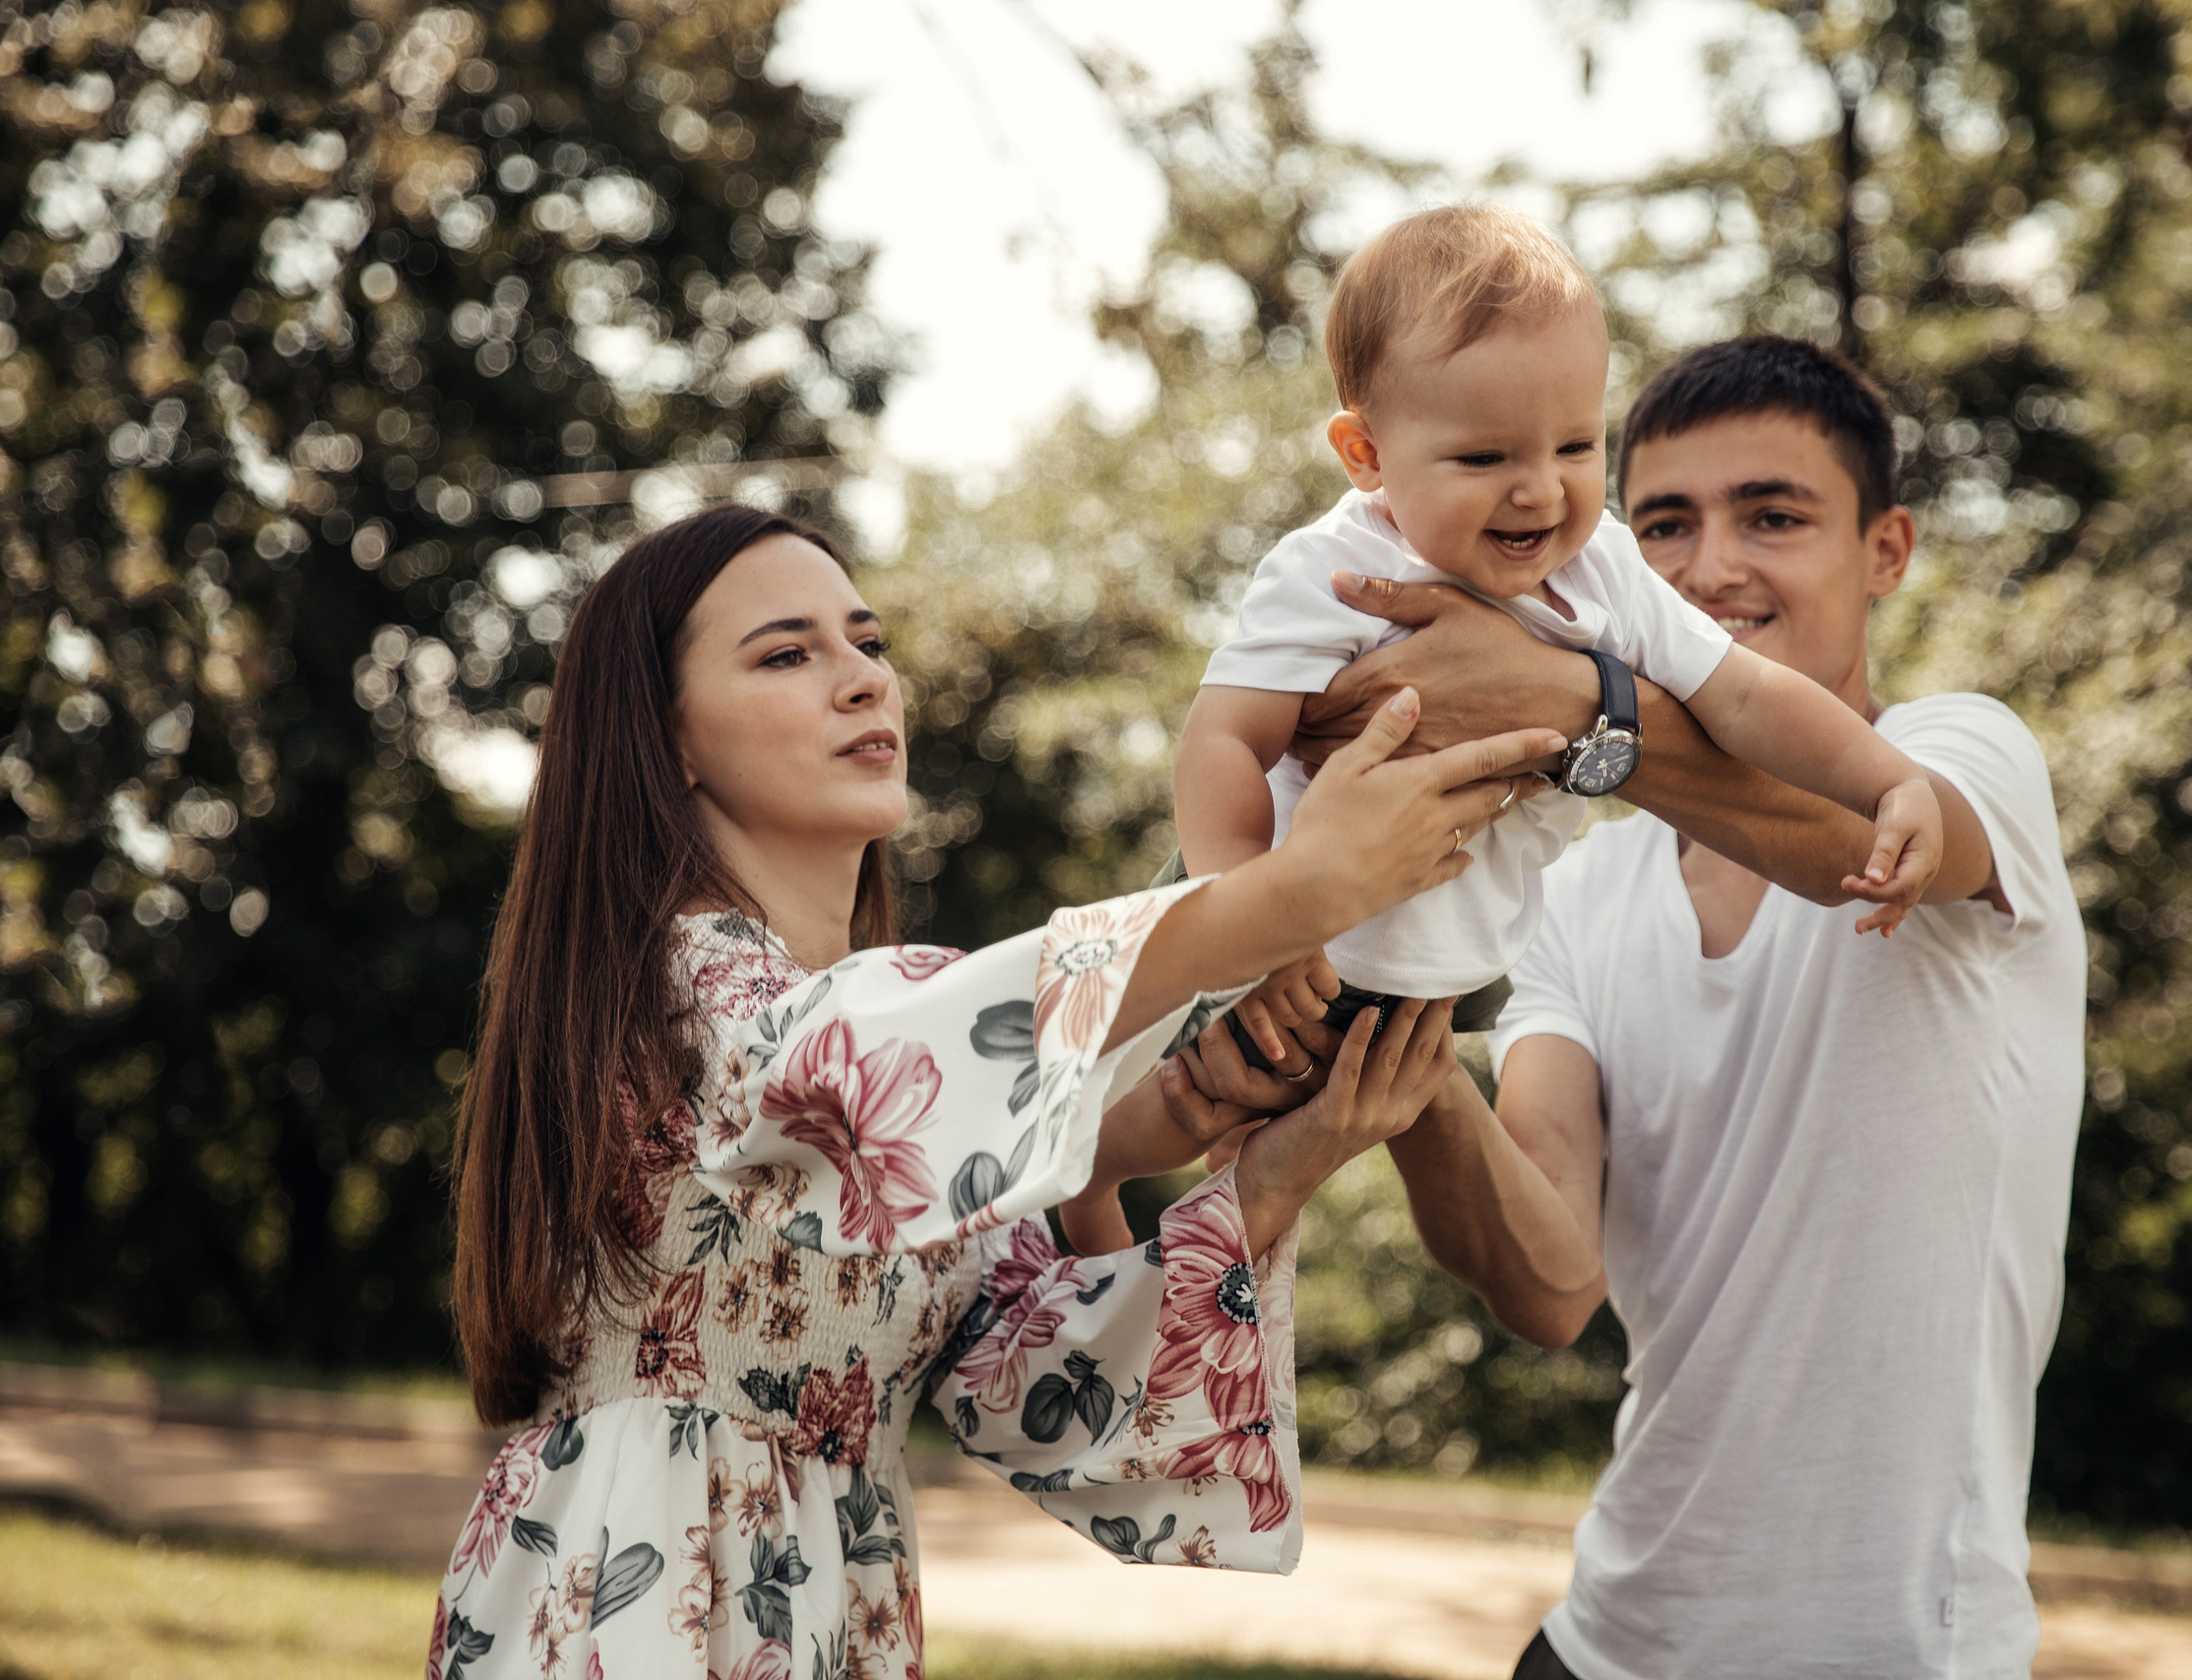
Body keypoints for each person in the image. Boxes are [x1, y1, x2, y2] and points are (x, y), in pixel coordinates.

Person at [431, 505, 1566, 1679]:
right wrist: (1296, 891)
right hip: (642, 1592)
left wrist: (1275, 1163)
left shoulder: (868, 1054)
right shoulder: (684, 989)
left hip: (839, 1603)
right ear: (667, 740)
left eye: (867, 644)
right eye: (787, 653)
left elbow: (1045, 1392)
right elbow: (873, 1053)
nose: (862, 681)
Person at [1345, 336, 2086, 1678]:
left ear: (1886, 549)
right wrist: (1396, 1037)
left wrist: (1571, 704)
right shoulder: (1572, 888)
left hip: (1897, 1650)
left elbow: (1843, 840)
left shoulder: (1963, 756)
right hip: (1603, 1641)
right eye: (1666, 523)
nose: (1709, 566)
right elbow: (1551, 1279)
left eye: (1775, 516)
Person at [1171, 206, 1943, 1074]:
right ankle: (1106, 1191)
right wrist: (1245, 916)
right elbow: (1224, 739)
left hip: (1444, 969)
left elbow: (1746, 693)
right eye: (1483, 459)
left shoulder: (1602, 566)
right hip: (1279, 929)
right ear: (1366, 453)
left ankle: (1238, 1202)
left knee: (1325, 1112)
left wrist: (1891, 781)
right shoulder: (1334, 572)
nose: (1541, 492)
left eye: (1575, 445)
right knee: (1178, 1095)